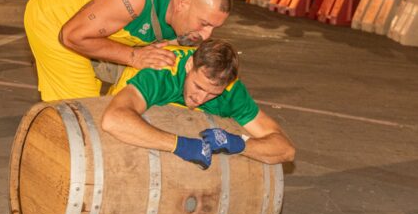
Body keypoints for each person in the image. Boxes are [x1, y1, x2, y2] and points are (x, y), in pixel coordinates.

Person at [24, 0, 232, 101]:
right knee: (83, 111)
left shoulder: (183, 3)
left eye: (214, 27)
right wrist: (134, 56)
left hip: (98, 25)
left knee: (156, 68)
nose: (206, 35)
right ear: (183, 3)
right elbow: (70, 36)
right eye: (204, 24)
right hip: (57, 19)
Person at [102, 39, 295, 169]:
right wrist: (180, 145)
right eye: (198, 86)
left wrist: (239, 144)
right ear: (189, 66)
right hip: (113, 104)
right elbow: (113, 120)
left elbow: (285, 150)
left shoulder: (231, 91)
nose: (200, 99)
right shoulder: (162, 71)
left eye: (212, 94)